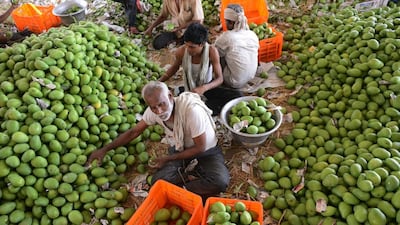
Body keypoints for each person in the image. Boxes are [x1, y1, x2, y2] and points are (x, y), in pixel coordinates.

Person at [87, 81, 230, 200]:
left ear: (170, 96)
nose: (159, 111)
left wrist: (168, 158)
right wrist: (104, 149)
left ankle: (181, 188)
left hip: (206, 150)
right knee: (158, 182)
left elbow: (200, 147)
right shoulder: (153, 112)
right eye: (153, 107)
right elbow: (134, 132)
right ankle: (189, 179)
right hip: (182, 148)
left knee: (220, 181)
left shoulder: (191, 111)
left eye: (162, 104)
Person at [159, 22, 242, 115]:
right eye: (186, 45)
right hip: (189, 87)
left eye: (192, 47)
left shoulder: (212, 52)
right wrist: (160, 81)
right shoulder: (181, 51)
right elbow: (174, 67)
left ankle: (199, 107)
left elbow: (219, 79)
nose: (188, 49)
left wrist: (203, 88)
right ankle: (198, 106)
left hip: (207, 87)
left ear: (202, 44)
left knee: (237, 96)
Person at [215, 4, 260, 89]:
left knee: (217, 54)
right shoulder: (252, 34)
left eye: (226, 21)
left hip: (234, 81)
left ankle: (219, 80)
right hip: (251, 76)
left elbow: (214, 53)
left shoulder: (227, 37)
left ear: (230, 22)